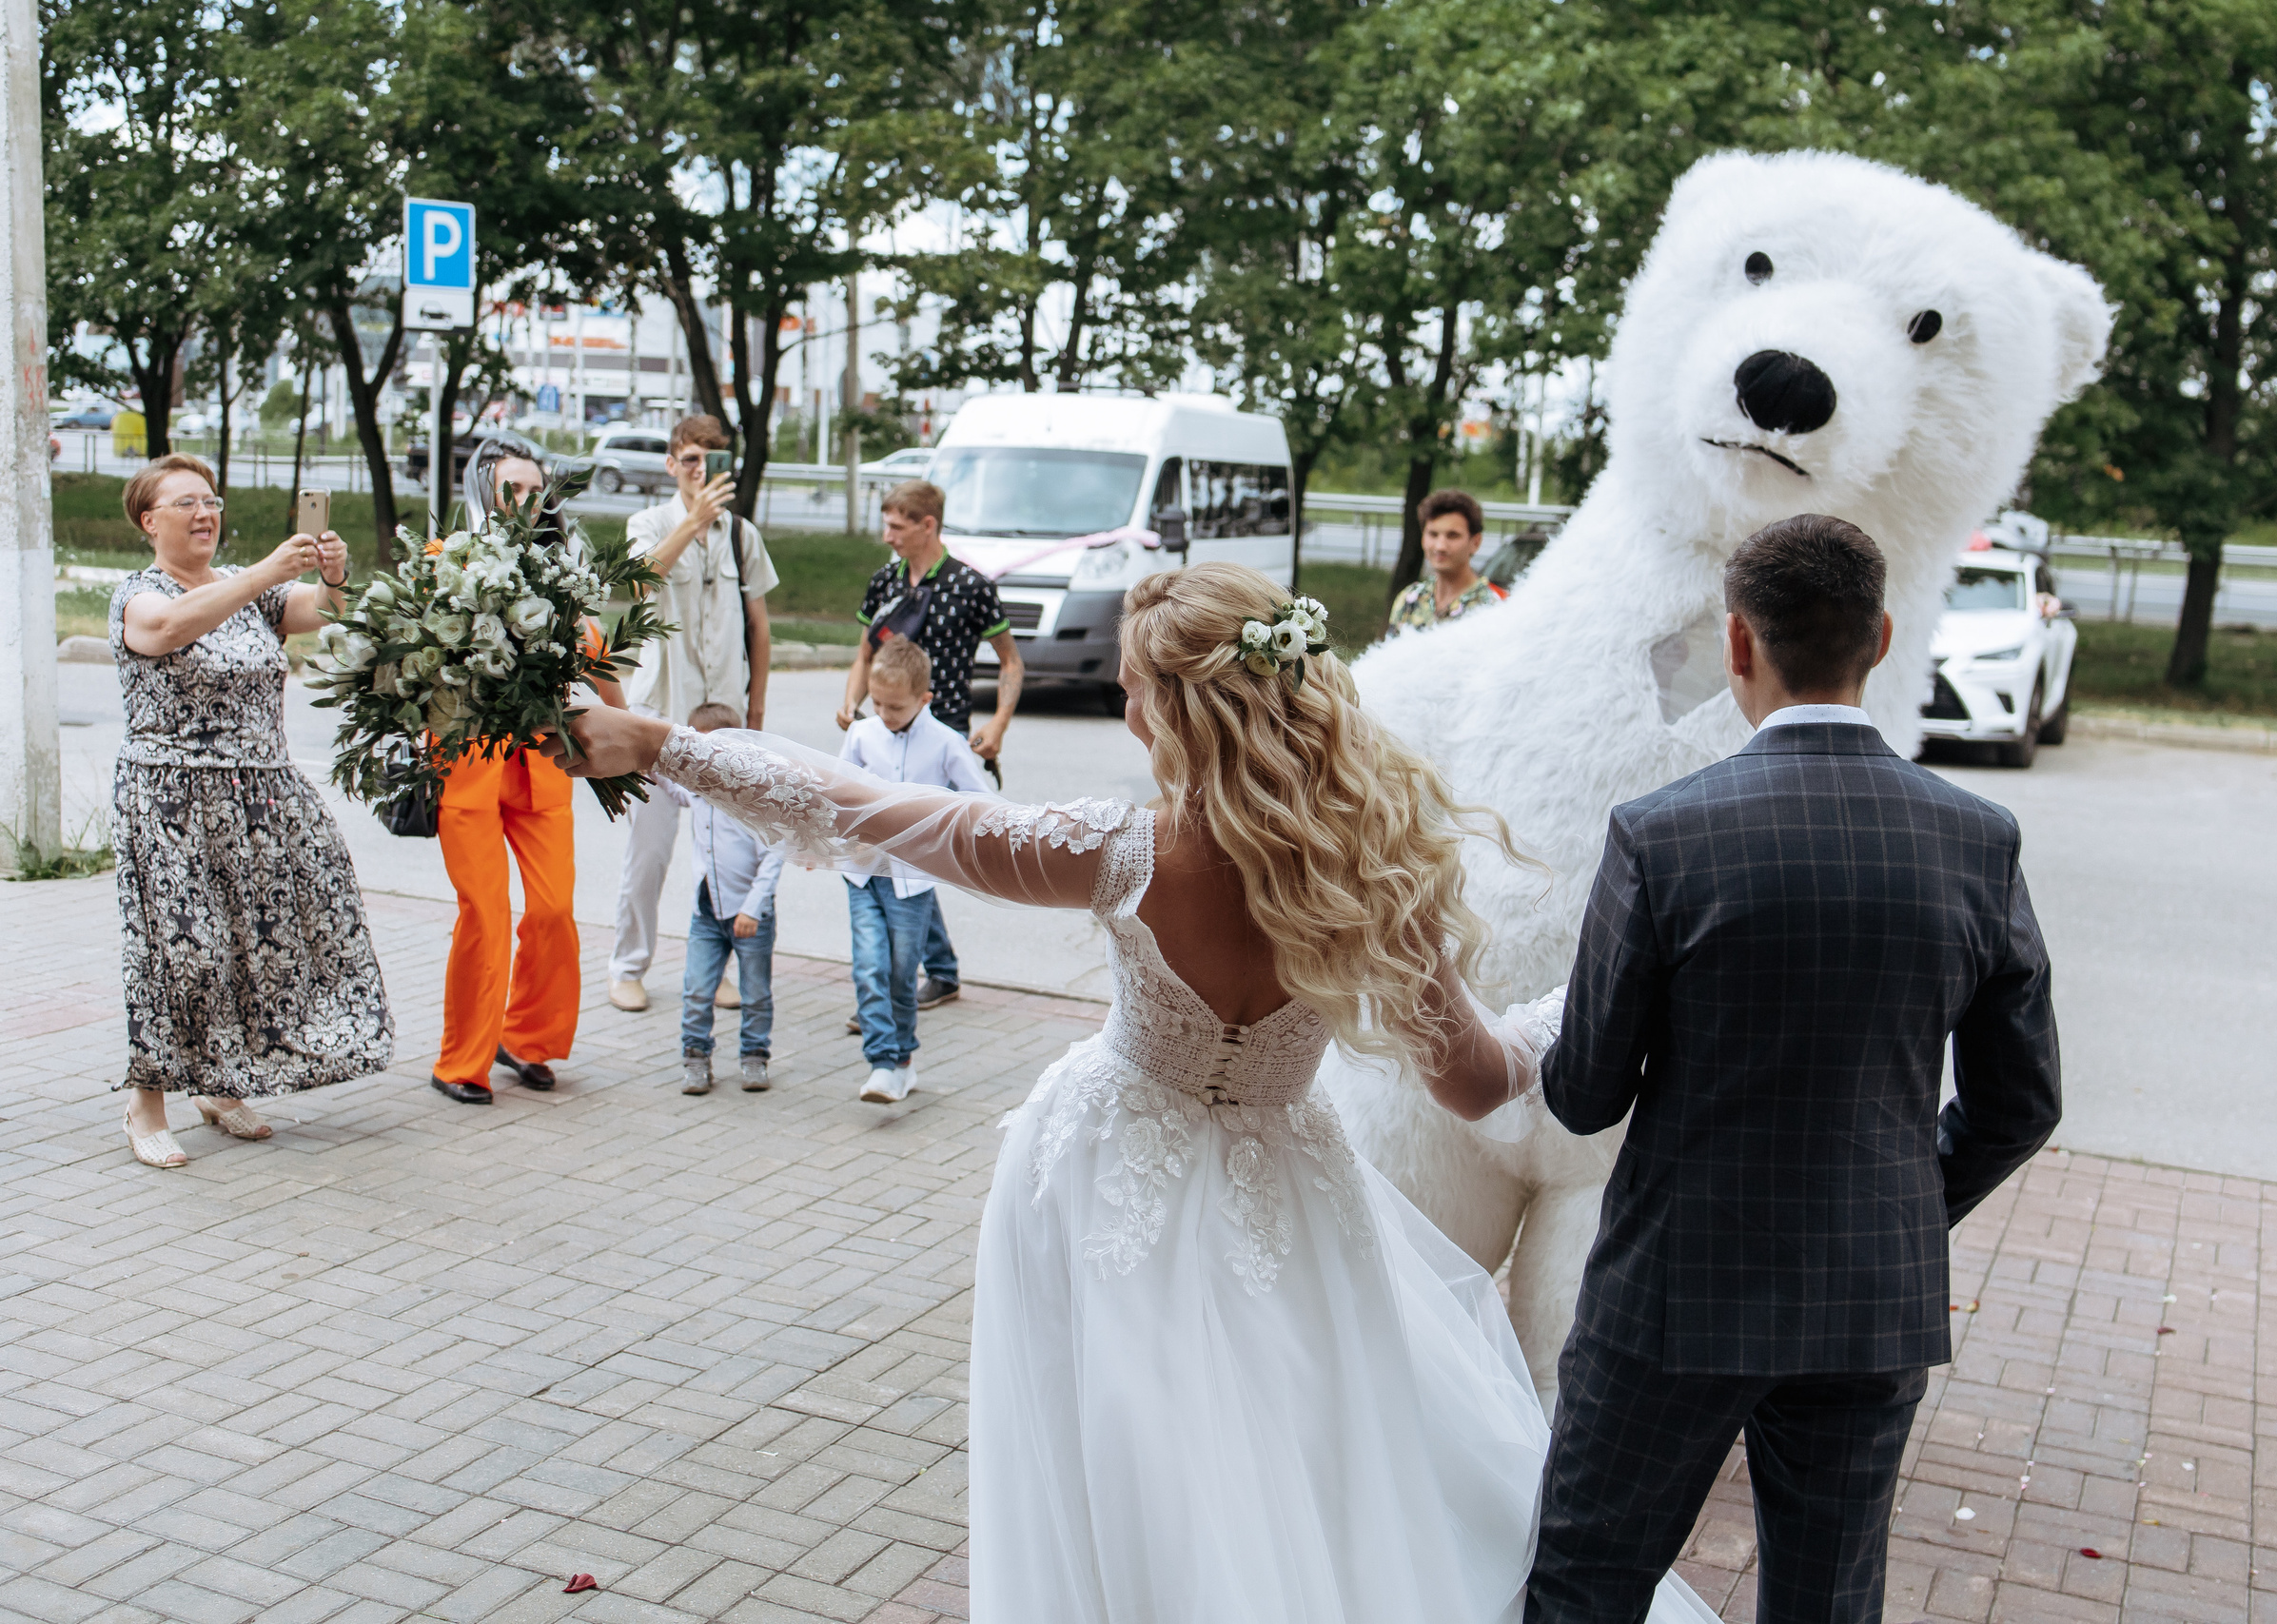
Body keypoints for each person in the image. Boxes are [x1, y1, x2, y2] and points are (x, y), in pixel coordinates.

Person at [549, 563, 1720, 1624]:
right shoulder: (1370, 872)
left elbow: (866, 807)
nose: (1123, 710)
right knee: (1292, 1458)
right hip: (1291, 1194)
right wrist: (1594, 1000)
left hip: (1106, 1184)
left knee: (1120, 1472)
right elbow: (1477, 1083)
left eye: (1131, 690)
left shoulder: (1121, 851)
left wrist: (659, 742)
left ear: (1181, 708)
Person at [1527, 515, 2063, 1623]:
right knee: (1826, 1603)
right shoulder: (1978, 838)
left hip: (1675, 1288)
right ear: (1881, 637)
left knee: (1588, 1583)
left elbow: (1583, 1095)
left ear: (1738, 642)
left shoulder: (1661, 835)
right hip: (1870, 1292)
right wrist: (1904, 1200)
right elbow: (2019, 1105)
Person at [108, 454, 393, 1167]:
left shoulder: (248, 591)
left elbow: (323, 611)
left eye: (211, 500)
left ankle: (221, 1083)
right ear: (149, 521)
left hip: (260, 797)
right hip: (171, 801)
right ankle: (146, 1102)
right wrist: (267, 571)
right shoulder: (138, 594)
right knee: (184, 953)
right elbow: (167, 630)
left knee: (256, 945)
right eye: (186, 503)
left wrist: (333, 575)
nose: (205, 513)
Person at [429, 443, 626, 1106]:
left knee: (552, 910)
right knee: (485, 913)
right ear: (482, 491)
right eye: (512, 488)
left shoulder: (561, 573)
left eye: (535, 490)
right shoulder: (447, 560)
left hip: (541, 763)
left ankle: (527, 1038)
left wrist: (634, 741)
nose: (527, 501)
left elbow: (596, 653)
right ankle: (462, 1060)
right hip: (468, 763)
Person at [606, 415, 778, 1014]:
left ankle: (716, 967)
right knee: (648, 855)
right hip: (658, 716)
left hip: (724, 723)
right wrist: (692, 522)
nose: (700, 472)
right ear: (671, 464)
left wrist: (757, 708)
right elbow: (640, 584)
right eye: (690, 461)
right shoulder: (648, 524)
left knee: (724, 856)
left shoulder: (742, 536)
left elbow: (759, 626)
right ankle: (628, 967)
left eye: (712, 461)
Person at [835, 479, 1021, 1020]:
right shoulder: (884, 582)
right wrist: (852, 700)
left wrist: (999, 723)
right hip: (885, 727)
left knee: (913, 851)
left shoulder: (971, 585)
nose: (887, 536)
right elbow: (864, 653)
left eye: (896, 526)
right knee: (905, 854)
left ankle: (898, 987)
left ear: (927, 525)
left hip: (944, 735)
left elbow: (1011, 661)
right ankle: (931, 972)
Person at [836, 639, 991, 1105]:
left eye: (896, 707)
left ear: (925, 699)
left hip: (912, 880)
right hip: (863, 873)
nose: (884, 714)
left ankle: (903, 1063)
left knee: (902, 973)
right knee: (869, 967)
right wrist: (819, 839)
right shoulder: (861, 735)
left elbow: (979, 801)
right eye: (877, 704)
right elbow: (838, 791)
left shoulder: (946, 742)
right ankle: (882, 1062)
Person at [658, 702, 785, 1097]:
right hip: (706, 912)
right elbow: (666, 780)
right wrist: (645, 753)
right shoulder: (696, 790)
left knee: (755, 993)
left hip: (751, 916)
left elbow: (774, 856)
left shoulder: (752, 798)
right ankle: (695, 1058)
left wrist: (752, 908)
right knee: (697, 990)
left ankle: (755, 1056)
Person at [1387, 489, 1507, 637]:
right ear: (1423, 538)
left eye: (1453, 536)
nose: (1440, 546)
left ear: (1475, 542)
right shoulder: (1410, 599)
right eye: (1433, 534)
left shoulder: (1493, 607)